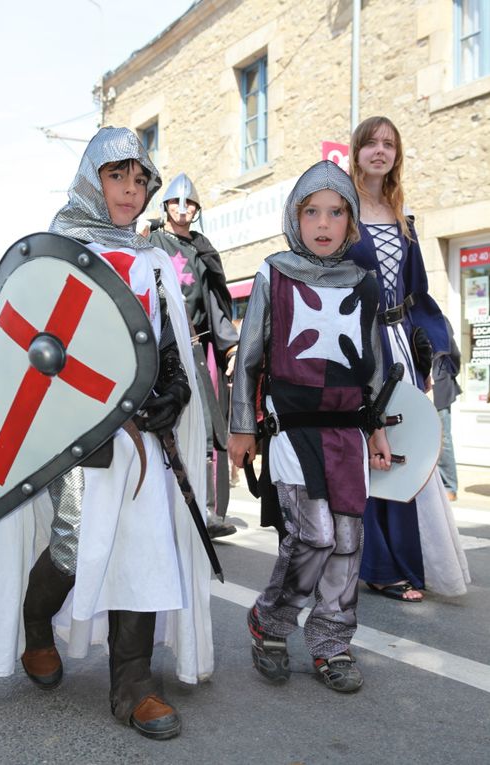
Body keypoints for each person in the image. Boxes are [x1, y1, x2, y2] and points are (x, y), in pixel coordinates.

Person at [0, 127, 213, 740]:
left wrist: (175, 391)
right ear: (91, 180)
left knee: (143, 544)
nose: (131, 192)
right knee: (74, 543)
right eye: (118, 178)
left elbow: (163, 344)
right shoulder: (53, 256)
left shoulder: (150, 260)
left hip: (137, 434)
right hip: (74, 433)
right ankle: (37, 625)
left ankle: (134, 683)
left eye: (141, 181)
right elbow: (25, 349)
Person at [229, 160, 392, 693]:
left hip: (346, 431)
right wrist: (241, 427)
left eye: (336, 212)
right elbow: (249, 358)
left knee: (347, 540)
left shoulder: (365, 285)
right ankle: (271, 624)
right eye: (312, 212)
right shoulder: (273, 274)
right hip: (292, 428)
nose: (323, 224)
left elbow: (375, 366)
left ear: (350, 221)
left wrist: (377, 428)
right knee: (313, 536)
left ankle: (332, 643)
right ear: (294, 218)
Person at [346, 115, 470, 601]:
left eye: (389, 145)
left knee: (402, 453)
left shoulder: (402, 217)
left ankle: (397, 559)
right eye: (371, 143)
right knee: (365, 453)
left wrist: (434, 349)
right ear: (356, 151)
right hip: (357, 342)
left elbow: (418, 293)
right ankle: (377, 564)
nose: (380, 151)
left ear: (396, 155)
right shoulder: (342, 211)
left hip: (397, 344)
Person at [148, 174, 239, 539]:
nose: (183, 209)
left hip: (199, 350)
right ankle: (165, 505)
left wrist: (230, 346)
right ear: (166, 206)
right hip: (162, 349)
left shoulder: (203, 249)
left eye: (189, 204)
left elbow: (215, 301)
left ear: (197, 209)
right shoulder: (151, 243)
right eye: (176, 202)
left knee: (208, 429)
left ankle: (208, 510)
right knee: (166, 426)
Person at [433, 316, 462, 501]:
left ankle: (449, 486)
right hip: (419, 385)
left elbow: (454, 355)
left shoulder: (439, 319)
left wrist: (446, 375)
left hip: (440, 387)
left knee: (443, 438)